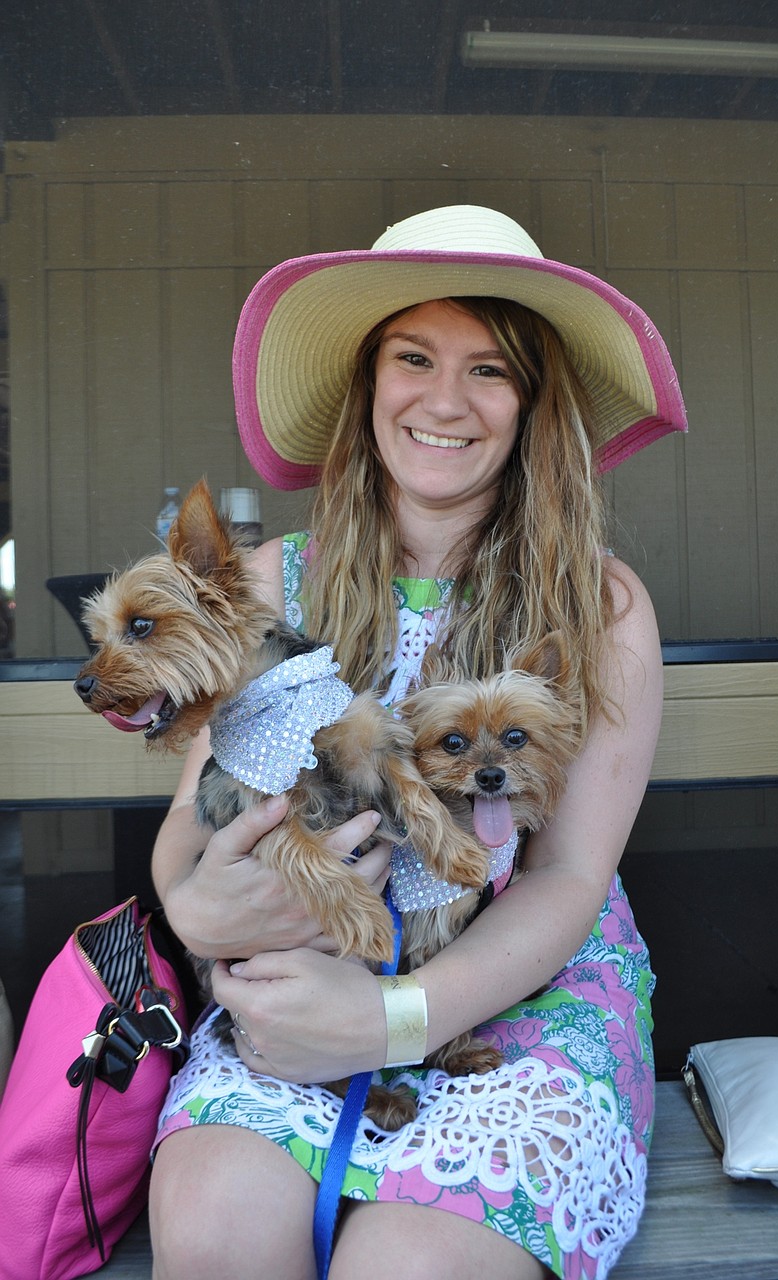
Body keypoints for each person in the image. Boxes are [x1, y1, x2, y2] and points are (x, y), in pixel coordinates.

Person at [148, 205, 687, 1280]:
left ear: (532, 405)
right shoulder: (268, 585)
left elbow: (568, 873)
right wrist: (193, 906)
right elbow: (192, 830)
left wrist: (392, 1017)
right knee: (215, 1227)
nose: (445, 399)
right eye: (413, 356)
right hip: (305, 963)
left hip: (517, 997)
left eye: (490, 369)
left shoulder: (602, 607)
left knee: (414, 1265)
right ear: (367, 381)